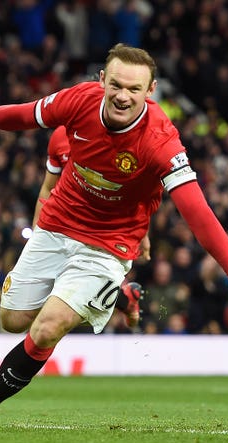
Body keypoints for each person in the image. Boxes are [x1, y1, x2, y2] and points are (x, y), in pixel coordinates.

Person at [0, 43, 228, 433]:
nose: (123, 96)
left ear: (150, 91)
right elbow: (26, 114)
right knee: (13, 320)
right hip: (57, 225)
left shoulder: (160, 140)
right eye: (116, 85)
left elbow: (197, 209)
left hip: (110, 243)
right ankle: (120, 295)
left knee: (47, 327)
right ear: (101, 80)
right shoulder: (79, 101)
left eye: (134, 90)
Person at [34, 125, 146, 329]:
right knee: (50, 301)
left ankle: (122, 300)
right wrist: (37, 232)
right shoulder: (60, 136)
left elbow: (135, 195)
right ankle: (124, 299)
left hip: (99, 229)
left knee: (75, 306)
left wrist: (143, 235)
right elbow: (48, 187)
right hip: (60, 224)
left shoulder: (117, 140)